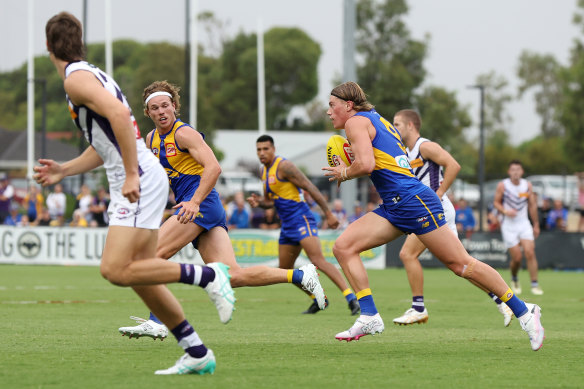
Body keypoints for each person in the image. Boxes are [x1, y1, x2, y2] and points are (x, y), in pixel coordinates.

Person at [37, 12, 237, 376]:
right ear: (79, 41)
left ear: (48, 46)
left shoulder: (74, 81)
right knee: (142, 273)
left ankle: (209, 277)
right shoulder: (92, 74)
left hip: (138, 178)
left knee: (115, 269)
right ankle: (195, 351)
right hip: (140, 176)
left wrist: (131, 173)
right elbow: (110, 139)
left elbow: (116, 114)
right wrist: (65, 169)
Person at [322, 81, 543, 351]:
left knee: (462, 265)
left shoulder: (355, 122)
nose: (329, 112)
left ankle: (524, 311)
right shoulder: (376, 119)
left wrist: (344, 171)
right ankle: (369, 316)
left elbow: (366, 164)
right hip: (396, 204)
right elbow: (376, 162)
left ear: (348, 105)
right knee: (344, 247)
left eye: (332, 105)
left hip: (412, 201)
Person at [118, 80, 326, 339]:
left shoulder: (184, 134)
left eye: (165, 106)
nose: (161, 112)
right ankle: (299, 276)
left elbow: (214, 167)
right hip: (198, 207)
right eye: (154, 108)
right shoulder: (151, 139)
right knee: (233, 276)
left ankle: (158, 321)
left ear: (174, 106)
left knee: (151, 256)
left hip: (200, 205)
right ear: (147, 113)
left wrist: (194, 201)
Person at [391, 109, 513, 327]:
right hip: (432, 211)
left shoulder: (425, 146)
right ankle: (503, 300)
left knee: (407, 254)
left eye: (397, 124)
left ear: (411, 125)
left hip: (435, 209)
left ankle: (418, 308)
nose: (394, 128)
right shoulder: (405, 152)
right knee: (462, 267)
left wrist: (438, 193)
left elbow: (454, 165)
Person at [248, 135, 360, 315]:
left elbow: (310, 187)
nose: (262, 153)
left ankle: (351, 299)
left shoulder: (284, 166)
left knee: (318, 260)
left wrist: (328, 214)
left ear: (274, 149)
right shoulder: (264, 172)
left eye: (265, 149)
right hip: (287, 226)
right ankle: (319, 299)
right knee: (285, 271)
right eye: (259, 150)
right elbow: (272, 202)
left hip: (302, 219)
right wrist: (259, 203)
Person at [493, 160, 544, 296]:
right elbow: (496, 203)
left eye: (518, 169)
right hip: (508, 225)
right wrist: (505, 211)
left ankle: (534, 284)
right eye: (513, 170)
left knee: (530, 252)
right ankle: (514, 278)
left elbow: (532, 205)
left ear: (522, 172)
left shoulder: (527, 185)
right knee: (517, 258)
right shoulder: (503, 185)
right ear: (509, 172)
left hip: (524, 223)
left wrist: (536, 224)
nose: (515, 172)